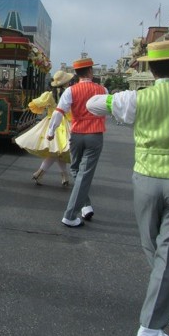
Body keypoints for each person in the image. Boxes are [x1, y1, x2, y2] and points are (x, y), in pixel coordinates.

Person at [86, 40, 169, 336]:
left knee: (152, 244)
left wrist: (116, 101)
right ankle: (150, 326)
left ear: (149, 69)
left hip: (145, 178)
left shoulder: (136, 98)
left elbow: (94, 104)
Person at [47, 56, 107, 227]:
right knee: (85, 172)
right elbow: (110, 110)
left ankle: (86, 205)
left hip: (77, 134)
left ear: (76, 73)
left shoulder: (70, 91)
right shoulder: (103, 90)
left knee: (76, 168)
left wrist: (51, 131)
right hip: (95, 135)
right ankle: (71, 213)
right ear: (90, 71)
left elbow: (59, 111)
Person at [15, 70, 74, 186]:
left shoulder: (49, 95)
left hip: (51, 122)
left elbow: (35, 104)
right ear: (65, 82)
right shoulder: (69, 93)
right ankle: (57, 175)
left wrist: (45, 108)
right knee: (57, 151)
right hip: (65, 123)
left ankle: (43, 173)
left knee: (56, 151)